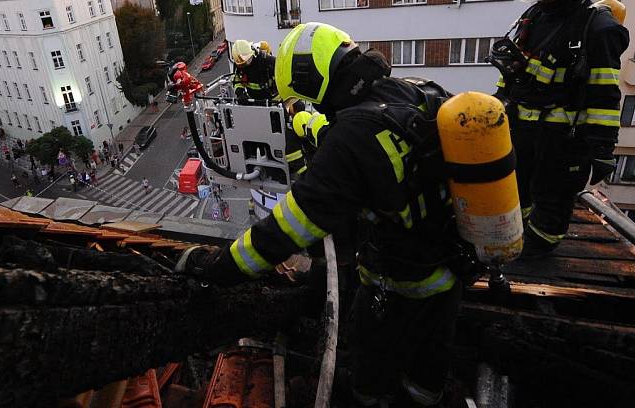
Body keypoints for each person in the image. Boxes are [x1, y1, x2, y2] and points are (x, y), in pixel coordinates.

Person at [177, 22, 469, 407]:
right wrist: (311, 125)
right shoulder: (410, 90)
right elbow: (357, 136)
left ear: (313, 81)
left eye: (307, 98)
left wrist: (216, 267)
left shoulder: (350, 141)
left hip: (399, 282)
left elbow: (285, 230)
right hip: (452, 270)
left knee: (366, 367)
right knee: (428, 371)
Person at [491, 0, 629, 258]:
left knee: (552, 202)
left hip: (564, 140)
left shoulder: (599, 30)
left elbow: (603, 96)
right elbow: (513, 70)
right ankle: (516, 244)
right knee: (517, 192)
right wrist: (498, 105)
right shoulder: (534, 16)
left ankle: (539, 250)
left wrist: (603, 148)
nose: (542, 0)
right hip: (522, 132)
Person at [230, 39, 277, 104]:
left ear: (252, 54)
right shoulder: (239, 65)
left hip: (273, 100)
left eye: (247, 61)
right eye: (242, 64)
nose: (245, 65)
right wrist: (240, 93)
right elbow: (237, 80)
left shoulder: (267, 61)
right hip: (253, 101)